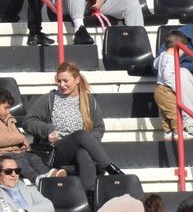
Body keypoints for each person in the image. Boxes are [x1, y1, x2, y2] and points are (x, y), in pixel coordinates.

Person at [22, 62, 123, 197]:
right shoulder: (50, 99)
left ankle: (89, 196)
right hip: (57, 149)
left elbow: (99, 128)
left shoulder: (89, 100)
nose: (61, 85)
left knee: (83, 153)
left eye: (65, 81)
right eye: (59, 81)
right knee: (80, 135)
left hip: (80, 148)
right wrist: (47, 130)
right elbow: (28, 121)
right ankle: (108, 166)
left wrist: (90, 140)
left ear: (76, 80)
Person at [0, 87, 50, 180]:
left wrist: (22, 145)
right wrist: (21, 138)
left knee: (34, 158)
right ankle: (37, 179)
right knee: (20, 161)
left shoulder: (8, 119)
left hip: (14, 153)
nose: (8, 111)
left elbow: (14, 136)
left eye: (9, 108)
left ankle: (49, 176)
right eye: (5, 108)